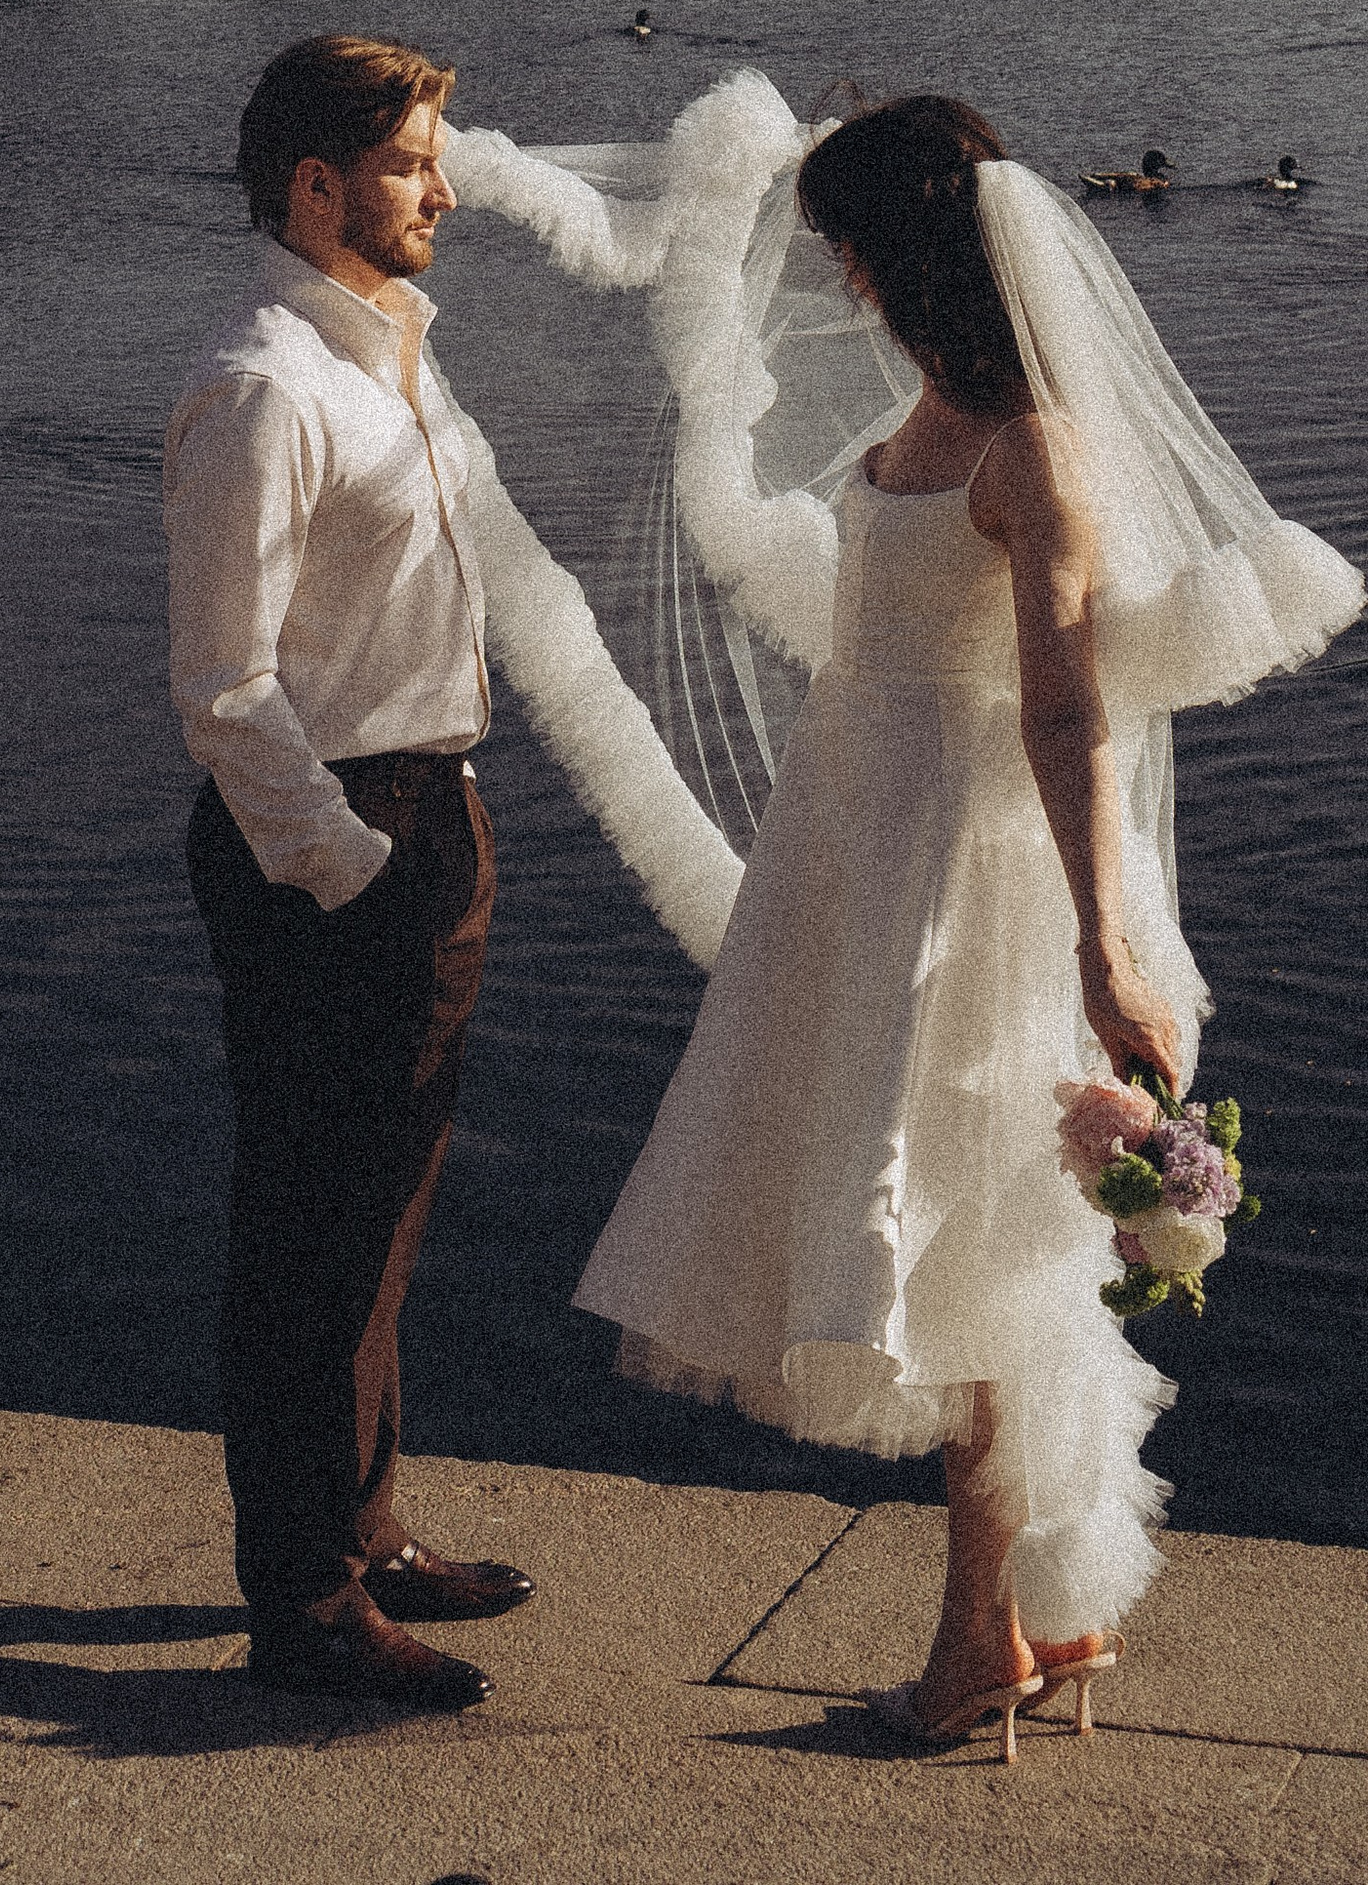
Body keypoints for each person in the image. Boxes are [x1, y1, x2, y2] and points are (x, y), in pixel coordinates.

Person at [568, 91, 1354, 1760]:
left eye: (851, 248)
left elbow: (1067, 719)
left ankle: (975, 1643)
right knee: (944, 1233)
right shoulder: (935, 413)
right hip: (859, 849)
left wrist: (1104, 946)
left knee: (975, 1248)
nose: (838, 279)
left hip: (964, 883)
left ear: (910, 257)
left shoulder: (1033, 451)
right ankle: (1038, 1619)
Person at [165, 34, 533, 1710]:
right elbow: (224, 688)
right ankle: (300, 1603)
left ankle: (363, 1527)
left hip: (424, 810)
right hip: (330, 839)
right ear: (317, 187)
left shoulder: (392, 357)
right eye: (412, 163)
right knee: (310, 1222)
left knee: (384, 1212)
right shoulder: (263, 387)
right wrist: (355, 868)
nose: (446, 190)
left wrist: (433, 834)